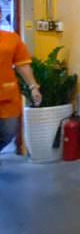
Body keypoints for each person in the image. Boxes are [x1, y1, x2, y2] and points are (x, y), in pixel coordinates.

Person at [0, 12, 42, 155]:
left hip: (7, 96)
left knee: (9, 131)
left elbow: (22, 65)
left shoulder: (11, 39)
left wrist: (33, 87)